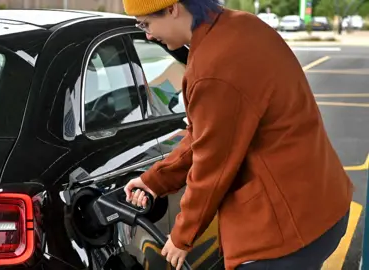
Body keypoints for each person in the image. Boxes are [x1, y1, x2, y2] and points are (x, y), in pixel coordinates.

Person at [121, 0, 354, 269]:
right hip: (321, 205)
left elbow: (213, 165)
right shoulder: (244, 25)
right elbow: (206, 135)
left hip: (282, 235)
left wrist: (182, 235)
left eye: (146, 23)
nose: (148, 35)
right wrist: (155, 181)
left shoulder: (213, 66)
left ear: (173, 8)